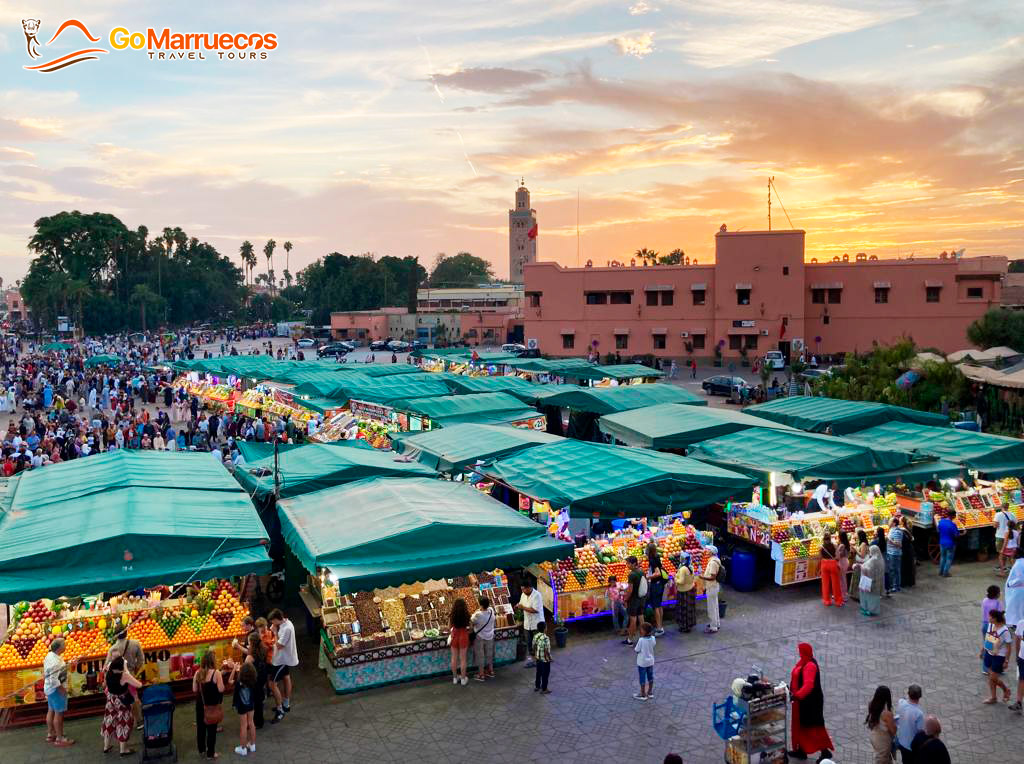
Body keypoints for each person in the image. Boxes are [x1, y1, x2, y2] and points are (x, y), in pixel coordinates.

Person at [788, 643, 834, 761]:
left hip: (810, 703)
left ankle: (824, 751)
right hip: (803, 701)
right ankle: (801, 751)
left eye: (800, 650)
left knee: (813, 728)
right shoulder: (804, 661)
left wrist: (797, 695)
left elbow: (808, 685)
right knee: (803, 727)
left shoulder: (810, 665)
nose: (798, 652)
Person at [102, 653, 142, 756]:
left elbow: (105, 684)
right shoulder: (124, 675)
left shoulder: (108, 671)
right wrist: (125, 668)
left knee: (109, 720)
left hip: (111, 699)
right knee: (124, 722)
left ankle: (106, 746)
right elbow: (139, 685)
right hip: (122, 701)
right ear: (121, 666)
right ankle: (123, 750)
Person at [107, 628, 145, 730]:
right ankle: (139, 721)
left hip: (117, 679)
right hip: (131, 674)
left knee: (121, 699)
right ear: (127, 632)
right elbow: (141, 660)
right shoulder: (135, 643)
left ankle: (125, 722)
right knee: (134, 697)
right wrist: (134, 671)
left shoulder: (112, 649)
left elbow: (107, 666)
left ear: (115, 636)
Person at [193, 650, 224, 760]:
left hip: (200, 704)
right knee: (211, 730)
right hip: (212, 705)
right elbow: (221, 689)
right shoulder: (216, 673)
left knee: (200, 728)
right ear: (213, 661)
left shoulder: (197, 673)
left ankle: (201, 750)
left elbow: (194, 689)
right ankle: (210, 753)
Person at [268, 608, 297, 723]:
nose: (272, 623)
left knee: (272, 684)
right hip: (283, 657)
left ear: (277, 619)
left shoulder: (287, 629)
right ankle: (286, 704)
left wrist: (274, 632)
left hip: (281, 660)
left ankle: (280, 710)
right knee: (286, 677)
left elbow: (279, 645)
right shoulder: (287, 623)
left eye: (273, 621)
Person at [43, 637, 74, 747]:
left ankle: (51, 733)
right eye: (64, 645)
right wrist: (61, 689)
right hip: (56, 690)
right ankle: (60, 738)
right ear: (59, 648)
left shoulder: (50, 655)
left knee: (51, 710)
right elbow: (53, 679)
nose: (65, 646)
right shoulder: (55, 662)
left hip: (49, 689)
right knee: (59, 714)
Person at [983, 609, 1013, 704]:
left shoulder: (1005, 631)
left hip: (999, 656)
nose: (989, 618)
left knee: (993, 678)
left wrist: (1006, 661)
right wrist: (982, 650)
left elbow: (1009, 648)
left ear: (995, 618)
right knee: (991, 677)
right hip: (989, 653)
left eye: (990, 617)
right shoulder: (990, 625)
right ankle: (993, 697)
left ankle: (1005, 690)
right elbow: (987, 638)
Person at [864, 685, 897, 764]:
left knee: (885, 759)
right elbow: (893, 730)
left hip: (874, 736)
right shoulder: (887, 714)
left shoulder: (871, 704)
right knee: (882, 759)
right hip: (883, 740)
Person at [516, 579, 544, 667]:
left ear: (529, 588)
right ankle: (533, 660)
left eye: (524, 589)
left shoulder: (537, 595)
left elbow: (535, 610)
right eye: (522, 589)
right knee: (529, 644)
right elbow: (520, 604)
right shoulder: (523, 595)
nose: (523, 591)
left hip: (537, 624)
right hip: (527, 624)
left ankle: (540, 660)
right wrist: (517, 606)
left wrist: (522, 607)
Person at [244, 632, 269, 729]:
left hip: (253, 680)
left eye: (249, 642)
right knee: (259, 700)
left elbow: (244, 669)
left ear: (252, 643)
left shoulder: (250, 656)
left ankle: (255, 722)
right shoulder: (263, 650)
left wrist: (233, 667)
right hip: (261, 677)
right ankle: (259, 721)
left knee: (253, 701)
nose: (248, 643)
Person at [233, 661, 257, 756]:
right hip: (251, 705)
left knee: (243, 726)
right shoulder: (253, 681)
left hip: (242, 706)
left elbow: (230, 683)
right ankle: (252, 745)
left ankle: (243, 748)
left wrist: (234, 669)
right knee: (251, 723)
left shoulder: (239, 683)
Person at [895, 684, 924, 762]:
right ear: (919, 697)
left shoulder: (901, 703)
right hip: (911, 745)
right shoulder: (919, 713)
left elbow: (903, 700)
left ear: (908, 694)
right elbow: (920, 730)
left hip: (901, 741)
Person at [622, 556, 646, 645]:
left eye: (628, 563)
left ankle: (630, 640)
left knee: (633, 619)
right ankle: (644, 636)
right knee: (641, 617)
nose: (627, 565)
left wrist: (625, 599)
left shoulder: (632, 574)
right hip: (641, 598)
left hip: (633, 600)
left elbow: (630, 590)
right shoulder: (641, 571)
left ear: (633, 564)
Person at [471, 595, 496, 681]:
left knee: (480, 655)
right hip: (490, 636)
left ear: (480, 604)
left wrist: (477, 611)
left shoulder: (478, 615)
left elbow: (472, 622)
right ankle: (491, 671)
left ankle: (481, 674)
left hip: (480, 637)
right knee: (489, 654)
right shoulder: (491, 610)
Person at [856, 546, 885, 617]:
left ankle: (869, 610)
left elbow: (868, 570)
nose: (869, 552)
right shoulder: (880, 559)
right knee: (875, 598)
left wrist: (860, 566)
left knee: (869, 597)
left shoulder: (873, 560)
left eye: (870, 551)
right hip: (877, 582)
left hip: (870, 583)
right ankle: (874, 610)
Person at [646, 541, 667, 635]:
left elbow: (657, 573)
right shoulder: (657, 556)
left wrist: (648, 577)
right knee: (659, 605)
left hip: (656, 584)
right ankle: (660, 625)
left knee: (655, 607)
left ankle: (659, 628)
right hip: (660, 584)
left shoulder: (652, 560)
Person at [449, 596, 471, 686]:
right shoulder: (467, 615)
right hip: (463, 636)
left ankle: (455, 678)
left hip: (454, 635)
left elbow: (449, 627)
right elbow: (470, 627)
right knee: (463, 659)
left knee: (454, 658)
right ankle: (463, 679)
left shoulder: (452, 615)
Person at [981, 585, 1002, 675]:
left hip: (984, 625)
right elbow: (1001, 615)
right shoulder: (998, 603)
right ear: (996, 594)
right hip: (993, 627)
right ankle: (987, 668)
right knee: (994, 648)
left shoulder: (985, 600)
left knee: (987, 646)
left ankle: (989, 668)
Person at [674, 552, 697, 633]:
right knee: (689, 608)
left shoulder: (683, 569)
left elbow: (681, 581)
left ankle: (684, 626)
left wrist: (675, 578)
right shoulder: (690, 567)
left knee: (683, 609)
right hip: (690, 589)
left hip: (683, 591)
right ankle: (689, 625)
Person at [701, 546, 722, 634]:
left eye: (708, 550)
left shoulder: (713, 563)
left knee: (711, 607)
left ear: (712, 552)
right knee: (715, 605)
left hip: (712, 586)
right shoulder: (714, 560)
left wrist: (702, 577)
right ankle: (716, 623)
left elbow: (712, 577)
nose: (706, 551)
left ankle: (713, 627)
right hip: (714, 586)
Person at [633, 621, 656, 701]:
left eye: (641, 630)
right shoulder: (653, 638)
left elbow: (636, 650)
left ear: (644, 631)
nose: (640, 631)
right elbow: (653, 645)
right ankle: (650, 692)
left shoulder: (641, 640)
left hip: (642, 663)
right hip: (650, 662)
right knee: (650, 677)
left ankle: (643, 694)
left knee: (642, 678)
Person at [819, 532, 843, 607]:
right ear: (830, 538)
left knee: (825, 583)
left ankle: (826, 601)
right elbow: (838, 557)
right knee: (835, 583)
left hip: (824, 564)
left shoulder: (820, 547)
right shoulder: (834, 545)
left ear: (823, 538)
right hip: (833, 564)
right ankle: (838, 601)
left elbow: (820, 558)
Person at [937, 509, 962, 577]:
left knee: (942, 557)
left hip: (942, 542)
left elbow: (938, 530)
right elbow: (956, 535)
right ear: (953, 516)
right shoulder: (952, 525)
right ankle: (945, 573)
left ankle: (940, 572)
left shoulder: (941, 522)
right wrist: (963, 533)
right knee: (949, 559)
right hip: (950, 544)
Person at [849, 529, 870, 602]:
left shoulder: (863, 544)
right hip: (859, 564)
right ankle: (856, 595)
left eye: (857, 534)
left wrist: (855, 549)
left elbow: (862, 555)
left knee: (860, 580)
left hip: (862, 565)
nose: (856, 535)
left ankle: (860, 596)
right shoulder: (861, 543)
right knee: (857, 579)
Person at [1010, 608, 1024, 713]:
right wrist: (1017, 655)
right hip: (1022, 657)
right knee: (1021, 679)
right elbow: (1018, 639)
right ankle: (1019, 702)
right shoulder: (1021, 623)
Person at [1006, 545, 1024, 626]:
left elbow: (1021, 579)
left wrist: (1010, 584)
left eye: (1013, 552)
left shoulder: (1019, 564)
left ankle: (1016, 624)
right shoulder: (1020, 562)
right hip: (1018, 590)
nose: (1011, 553)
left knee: (1015, 608)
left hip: (1017, 590)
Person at [995, 502, 1015, 574]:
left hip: (1000, 536)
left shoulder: (998, 514)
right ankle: (1009, 568)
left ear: (1001, 507)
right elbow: (1015, 523)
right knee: (1009, 554)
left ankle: (1003, 569)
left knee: (1001, 553)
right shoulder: (1012, 514)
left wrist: (996, 525)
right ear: (1008, 507)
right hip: (1010, 536)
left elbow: (995, 525)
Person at [532, 621, 552, 694]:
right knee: (545, 674)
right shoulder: (546, 638)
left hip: (538, 658)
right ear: (545, 629)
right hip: (545, 659)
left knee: (539, 672)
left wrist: (535, 654)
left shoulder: (536, 636)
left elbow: (533, 646)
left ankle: (537, 686)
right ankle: (544, 689)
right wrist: (550, 658)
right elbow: (547, 650)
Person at [886, 518, 903, 593]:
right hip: (890, 552)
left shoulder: (897, 531)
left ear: (894, 523)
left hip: (894, 553)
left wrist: (889, 540)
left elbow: (899, 544)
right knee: (892, 570)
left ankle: (896, 586)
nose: (888, 522)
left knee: (895, 570)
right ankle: (893, 585)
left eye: (890, 521)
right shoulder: (891, 530)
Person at [899, 517, 916, 589]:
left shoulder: (902, 530)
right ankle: (910, 582)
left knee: (904, 566)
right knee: (909, 566)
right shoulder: (908, 529)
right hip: (909, 550)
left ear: (902, 522)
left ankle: (904, 582)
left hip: (905, 550)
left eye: (900, 521)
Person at [836, 530, 851, 602]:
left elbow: (839, 555)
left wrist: (836, 549)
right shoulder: (847, 543)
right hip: (845, 561)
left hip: (842, 562)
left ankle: (844, 595)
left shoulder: (842, 545)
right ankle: (842, 594)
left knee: (842, 579)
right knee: (842, 578)